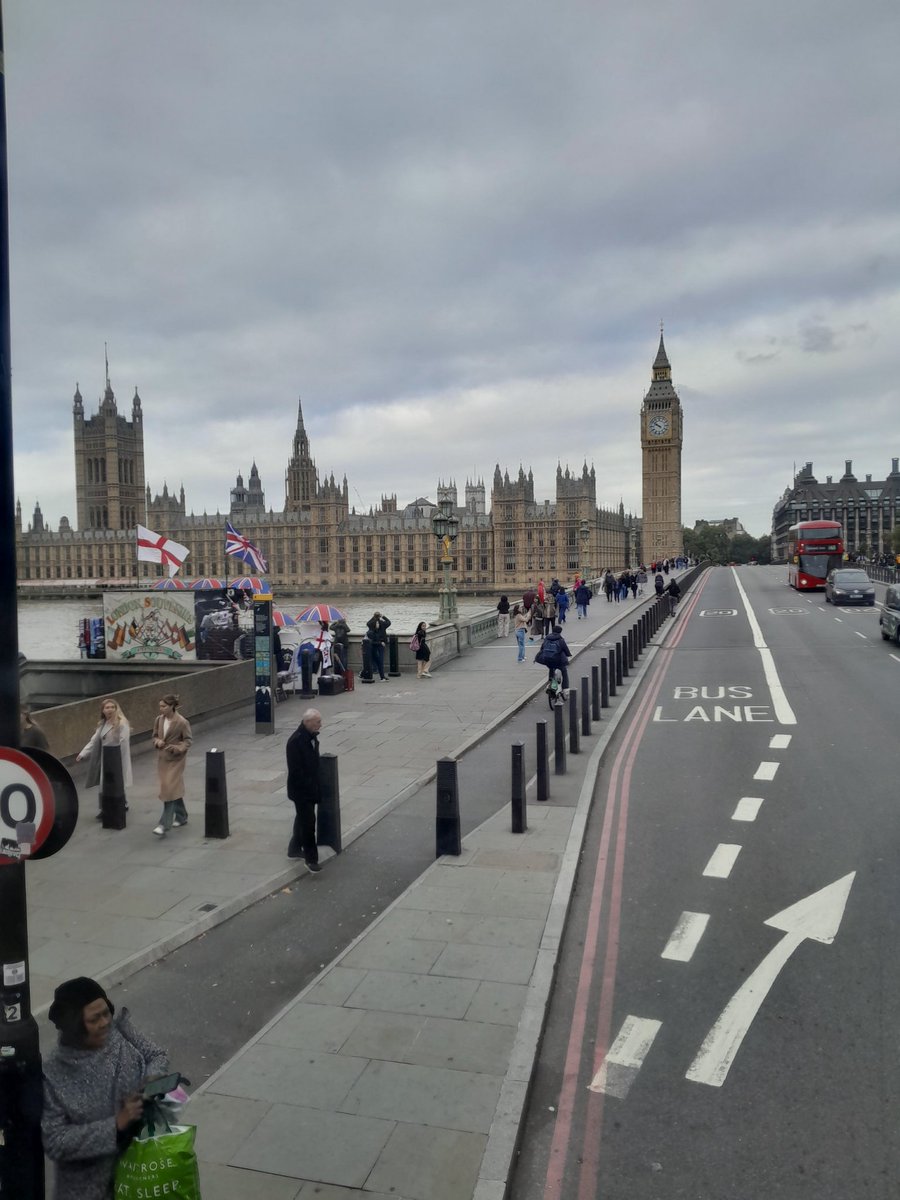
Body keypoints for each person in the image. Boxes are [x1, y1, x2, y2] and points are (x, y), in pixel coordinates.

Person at [42, 975, 168, 1200]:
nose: (104, 1023)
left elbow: (157, 1056)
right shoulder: (53, 1073)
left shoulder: (121, 1031)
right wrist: (116, 1124)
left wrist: (148, 1082)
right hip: (89, 1190)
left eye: (105, 1013)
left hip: (140, 1175)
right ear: (74, 1026)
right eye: (94, 1019)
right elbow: (55, 1141)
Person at [76, 698, 133, 819]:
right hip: (105, 758)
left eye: (112, 707)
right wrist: (83, 753)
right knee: (104, 785)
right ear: (103, 710)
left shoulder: (122, 724)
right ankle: (105, 808)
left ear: (116, 709)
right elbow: (94, 740)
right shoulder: (102, 724)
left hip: (116, 758)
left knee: (116, 783)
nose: (110, 710)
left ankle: (121, 804)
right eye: (107, 707)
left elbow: (124, 743)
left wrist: (120, 762)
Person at [286, 708, 323, 871]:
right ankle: (311, 860)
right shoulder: (296, 741)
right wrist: (309, 786)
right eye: (317, 722)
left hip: (310, 787)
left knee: (302, 818)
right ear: (307, 722)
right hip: (302, 790)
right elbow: (296, 771)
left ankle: (293, 849)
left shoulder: (310, 737)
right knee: (309, 823)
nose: (320, 725)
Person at [151, 695, 192, 837]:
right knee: (172, 788)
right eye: (160, 706)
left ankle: (164, 824)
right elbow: (154, 736)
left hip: (176, 760)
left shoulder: (182, 722)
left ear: (171, 706)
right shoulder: (159, 720)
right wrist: (157, 742)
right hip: (163, 759)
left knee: (168, 789)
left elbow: (187, 741)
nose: (161, 709)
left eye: (163, 706)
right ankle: (181, 816)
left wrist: (177, 748)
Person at [540, 624, 572, 693]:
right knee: (564, 670)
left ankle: (550, 683)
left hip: (548, 659)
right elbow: (566, 649)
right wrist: (569, 655)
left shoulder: (547, 638)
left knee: (551, 669)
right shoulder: (560, 639)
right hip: (558, 660)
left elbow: (542, 648)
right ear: (560, 632)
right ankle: (565, 688)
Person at [366, 612, 391, 680]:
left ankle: (378, 672)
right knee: (379, 660)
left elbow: (368, 623)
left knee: (377, 660)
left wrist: (374, 617)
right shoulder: (382, 624)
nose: (378, 624)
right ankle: (380, 675)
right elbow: (389, 622)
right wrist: (383, 616)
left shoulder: (371, 627)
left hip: (376, 644)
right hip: (379, 644)